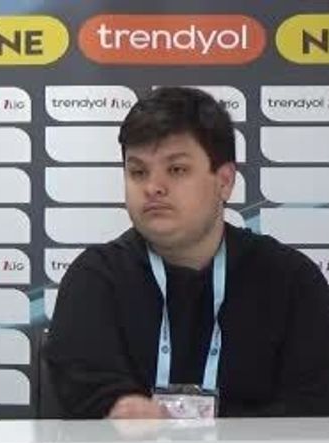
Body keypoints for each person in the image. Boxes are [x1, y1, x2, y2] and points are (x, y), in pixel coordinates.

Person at [45, 86, 329, 419]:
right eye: (138, 172)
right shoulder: (95, 278)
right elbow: (87, 396)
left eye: (176, 169)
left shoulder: (290, 280)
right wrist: (121, 412)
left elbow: (313, 406)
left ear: (224, 181)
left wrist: (205, 430)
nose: (153, 187)